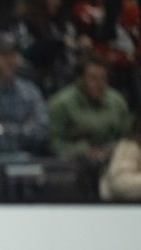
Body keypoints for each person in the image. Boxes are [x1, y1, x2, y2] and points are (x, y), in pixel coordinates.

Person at [48, 55, 132, 200]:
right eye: (93, 78)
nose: (99, 84)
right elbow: (53, 143)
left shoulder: (117, 101)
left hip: (114, 161)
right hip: (76, 165)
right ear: (80, 79)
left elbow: (128, 137)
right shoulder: (60, 104)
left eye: (103, 78)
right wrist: (84, 151)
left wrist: (116, 150)